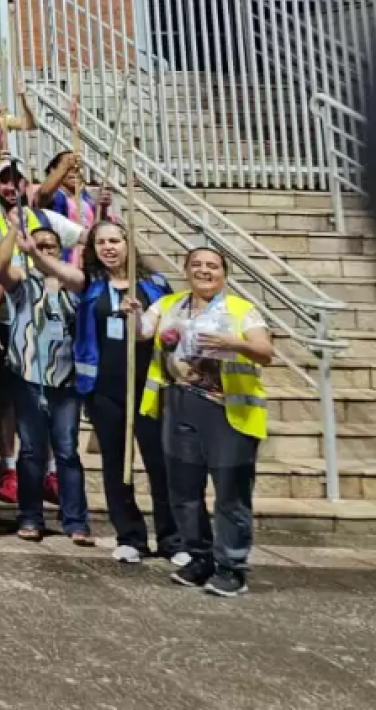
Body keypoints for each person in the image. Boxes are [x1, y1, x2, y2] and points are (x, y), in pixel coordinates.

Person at [142, 246, 274, 596]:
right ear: (185, 270)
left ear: (224, 273)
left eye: (212, 266)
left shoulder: (241, 311)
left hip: (227, 412)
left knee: (230, 494)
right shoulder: (169, 305)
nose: (204, 271)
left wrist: (236, 342)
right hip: (178, 405)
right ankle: (199, 556)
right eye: (196, 265)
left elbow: (265, 352)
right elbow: (141, 331)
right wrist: (131, 312)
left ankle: (232, 566)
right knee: (183, 491)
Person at [61, 220, 177, 563]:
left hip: (151, 388)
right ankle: (130, 536)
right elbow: (57, 273)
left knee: (160, 464)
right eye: (101, 243)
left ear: (128, 244)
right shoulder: (92, 288)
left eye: (115, 240)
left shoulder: (154, 286)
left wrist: (143, 320)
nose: (109, 248)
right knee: (116, 465)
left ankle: (172, 539)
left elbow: (172, 331)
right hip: (106, 390)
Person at [3, 224, 90, 543]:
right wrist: (14, 232)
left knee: (67, 451)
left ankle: (76, 521)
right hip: (28, 377)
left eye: (51, 245)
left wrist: (35, 253)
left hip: (66, 380)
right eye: (39, 244)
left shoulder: (73, 280)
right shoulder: (22, 281)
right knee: (30, 451)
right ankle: (30, 517)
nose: (44, 249)